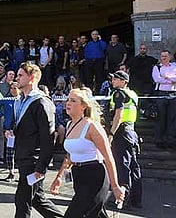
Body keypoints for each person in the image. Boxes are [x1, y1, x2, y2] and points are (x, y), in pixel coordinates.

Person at [50, 88, 125, 217]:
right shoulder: (69, 125)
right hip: (79, 176)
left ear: (83, 106)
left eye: (73, 101)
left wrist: (115, 186)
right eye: (67, 100)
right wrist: (59, 177)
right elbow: (69, 156)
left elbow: (108, 157)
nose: (68, 103)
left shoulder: (92, 126)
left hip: (95, 176)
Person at [9, 61, 63, 218]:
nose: (16, 79)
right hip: (23, 157)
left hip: (34, 160)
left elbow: (48, 137)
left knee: (22, 200)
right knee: (38, 199)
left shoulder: (41, 102)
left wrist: (41, 166)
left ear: (32, 77)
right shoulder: (20, 101)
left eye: (20, 75)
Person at [109, 70, 142, 209]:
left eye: (116, 79)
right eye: (113, 79)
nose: (113, 81)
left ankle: (123, 199)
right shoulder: (132, 94)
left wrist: (111, 133)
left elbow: (119, 115)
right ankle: (136, 199)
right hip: (131, 132)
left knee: (123, 166)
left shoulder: (119, 93)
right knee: (134, 166)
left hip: (121, 132)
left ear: (124, 82)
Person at [152, 50, 176, 149]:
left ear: (170, 57)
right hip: (161, 93)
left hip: (173, 94)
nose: (164, 58)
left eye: (166, 56)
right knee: (161, 118)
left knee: (172, 118)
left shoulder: (175, 67)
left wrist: (167, 77)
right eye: (162, 56)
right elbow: (157, 79)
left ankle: (171, 141)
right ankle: (159, 140)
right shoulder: (157, 67)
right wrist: (172, 80)